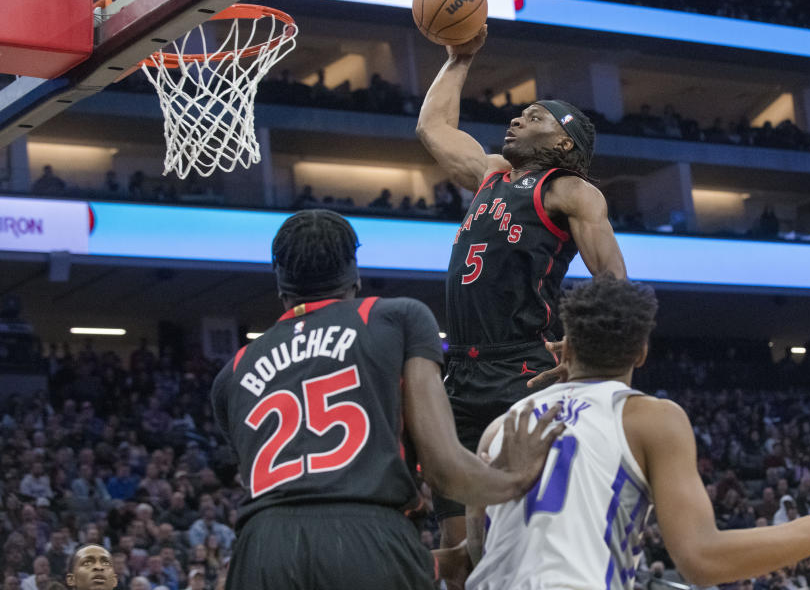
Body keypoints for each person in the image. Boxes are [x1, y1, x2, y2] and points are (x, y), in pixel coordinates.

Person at [461, 276, 810, 590]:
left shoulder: (504, 424)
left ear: (567, 344)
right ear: (641, 352)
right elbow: (701, 559)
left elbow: (479, 550)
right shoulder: (651, 418)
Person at [209, 209, 563, 590]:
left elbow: (304, 519)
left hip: (259, 551)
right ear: (354, 274)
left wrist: (435, 564)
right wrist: (515, 480)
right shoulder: (395, 318)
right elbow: (443, 468)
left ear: (280, 282)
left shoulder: (231, 374)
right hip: (370, 535)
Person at [415, 24, 627, 561]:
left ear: (562, 143)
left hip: (519, 372)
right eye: (519, 113)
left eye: (535, 117)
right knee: (455, 541)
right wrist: (460, 57)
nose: (516, 118)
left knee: (519, 530)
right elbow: (432, 126)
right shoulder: (490, 174)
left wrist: (584, 349)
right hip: (457, 374)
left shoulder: (572, 192)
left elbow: (613, 282)